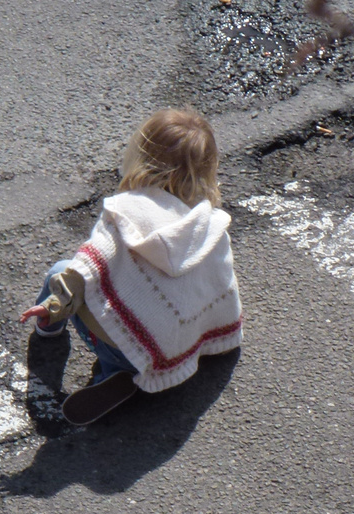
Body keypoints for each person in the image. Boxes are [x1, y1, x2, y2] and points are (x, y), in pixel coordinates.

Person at [19, 108, 243, 424]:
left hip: (124, 346)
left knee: (60, 270)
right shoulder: (209, 227)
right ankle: (125, 372)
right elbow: (221, 286)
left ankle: (59, 337)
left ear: (140, 157)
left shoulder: (124, 212)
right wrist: (224, 337)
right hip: (176, 343)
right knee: (143, 302)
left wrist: (54, 306)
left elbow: (83, 274)